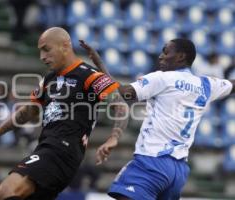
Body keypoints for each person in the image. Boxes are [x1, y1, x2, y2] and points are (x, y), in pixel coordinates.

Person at [0, 27, 128, 200]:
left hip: (63, 151)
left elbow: (121, 105)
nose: (42, 57)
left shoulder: (89, 75)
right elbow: (29, 111)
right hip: (46, 147)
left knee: (7, 190)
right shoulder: (49, 79)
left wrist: (114, 137)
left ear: (65, 46)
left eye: (46, 50)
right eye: (40, 51)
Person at [80, 39, 235, 200]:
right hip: (178, 171)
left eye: (166, 52)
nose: (161, 56)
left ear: (181, 57)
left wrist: (99, 63)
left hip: (152, 160)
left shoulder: (162, 78)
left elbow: (122, 93)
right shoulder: (206, 84)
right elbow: (232, 85)